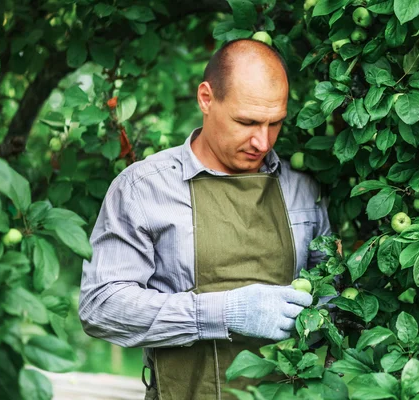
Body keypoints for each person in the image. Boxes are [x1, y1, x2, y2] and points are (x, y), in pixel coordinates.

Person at [78, 39, 331, 400]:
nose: (263, 141)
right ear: (206, 99)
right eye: (247, 122)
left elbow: (332, 297)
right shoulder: (144, 188)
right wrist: (224, 312)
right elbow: (101, 307)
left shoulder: (302, 190)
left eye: (275, 123)